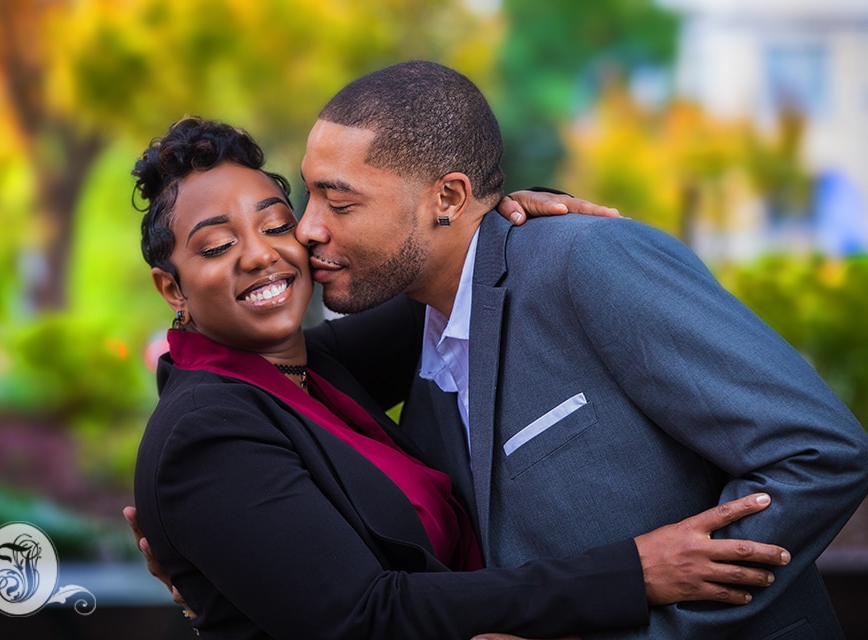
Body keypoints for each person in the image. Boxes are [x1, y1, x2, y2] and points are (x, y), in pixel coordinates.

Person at [128, 116, 790, 640]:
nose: (260, 254)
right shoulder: (205, 433)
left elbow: (453, 266)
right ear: (171, 287)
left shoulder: (313, 367)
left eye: (276, 224)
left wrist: (498, 214)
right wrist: (632, 574)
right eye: (216, 245)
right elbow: (363, 614)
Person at [292, 60, 868, 639]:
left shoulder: (586, 261)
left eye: (339, 203)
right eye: (307, 195)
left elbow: (819, 454)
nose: (307, 228)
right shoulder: (422, 339)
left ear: (448, 195)